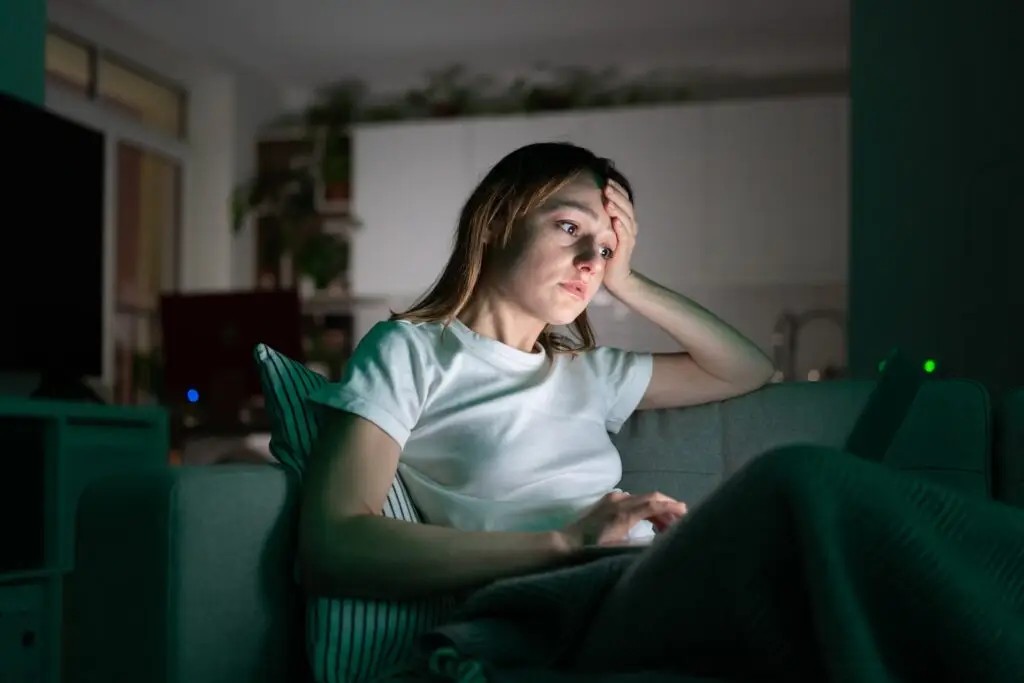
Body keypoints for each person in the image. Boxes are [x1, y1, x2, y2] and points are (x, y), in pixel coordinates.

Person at [297, 141, 775, 600]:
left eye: (606, 250)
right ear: (495, 222)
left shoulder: (589, 372)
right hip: (557, 601)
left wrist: (628, 283)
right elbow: (334, 546)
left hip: (648, 580)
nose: (591, 263)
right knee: (800, 483)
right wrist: (568, 542)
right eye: (570, 227)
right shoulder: (411, 351)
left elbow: (746, 369)